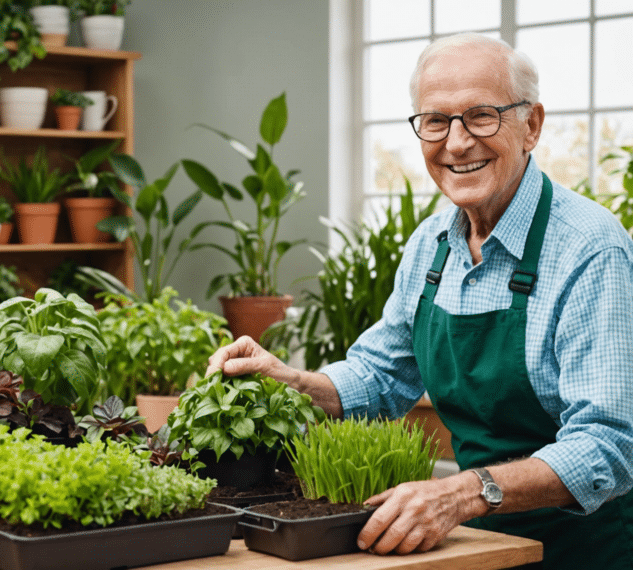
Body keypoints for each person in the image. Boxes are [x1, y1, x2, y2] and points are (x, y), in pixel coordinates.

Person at [207, 33, 633, 569]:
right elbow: (381, 376)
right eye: (436, 121)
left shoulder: (590, 248)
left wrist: (461, 493)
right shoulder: (432, 243)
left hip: (580, 550)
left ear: (532, 126)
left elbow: (610, 444)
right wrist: (289, 382)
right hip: (473, 545)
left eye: (481, 115)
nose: (456, 143)